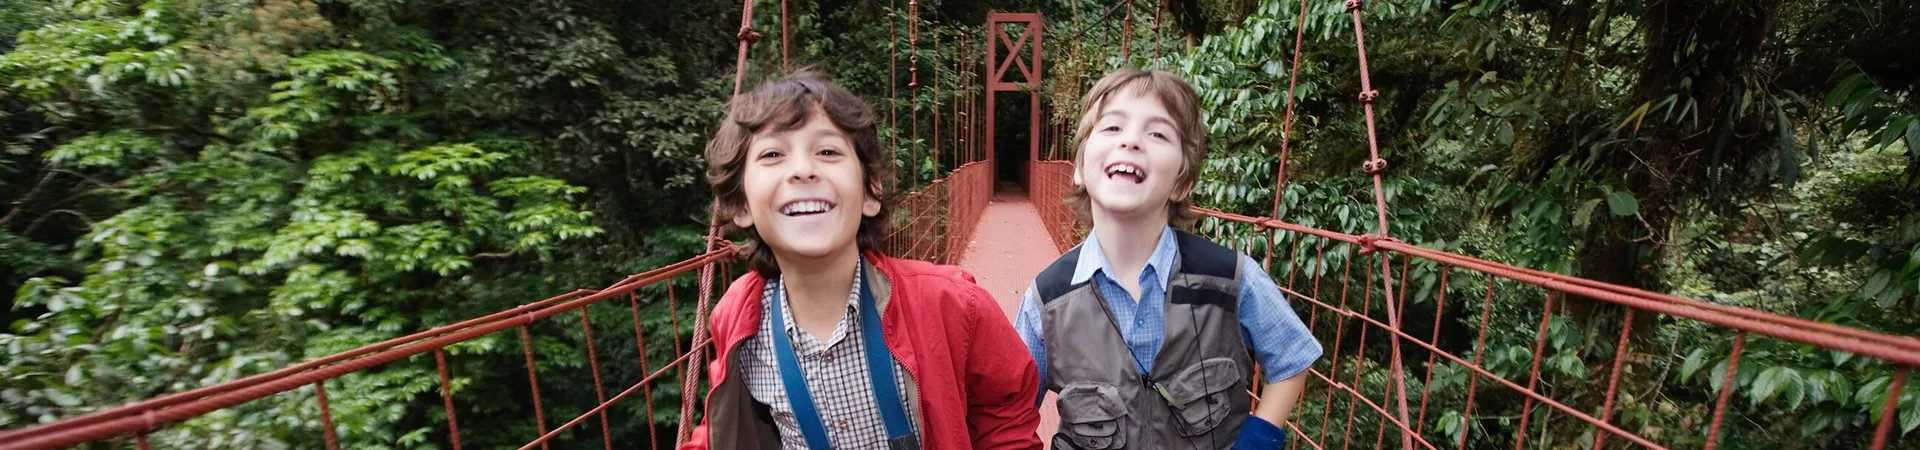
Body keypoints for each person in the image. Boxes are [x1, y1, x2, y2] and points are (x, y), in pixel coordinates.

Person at [679, 70, 1043, 450]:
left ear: (871, 192)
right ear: (739, 205)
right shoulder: (738, 319)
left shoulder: (952, 304)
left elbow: (1007, 412)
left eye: (828, 152)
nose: (803, 169)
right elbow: (721, 428)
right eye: (773, 154)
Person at [1014, 68, 1323, 450]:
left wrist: (1258, 440)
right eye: (1112, 128)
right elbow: (1010, 408)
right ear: (1078, 168)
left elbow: (1292, 358)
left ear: (1182, 181)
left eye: (1157, 133)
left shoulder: (1230, 277)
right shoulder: (1047, 300)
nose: (1131, 141)